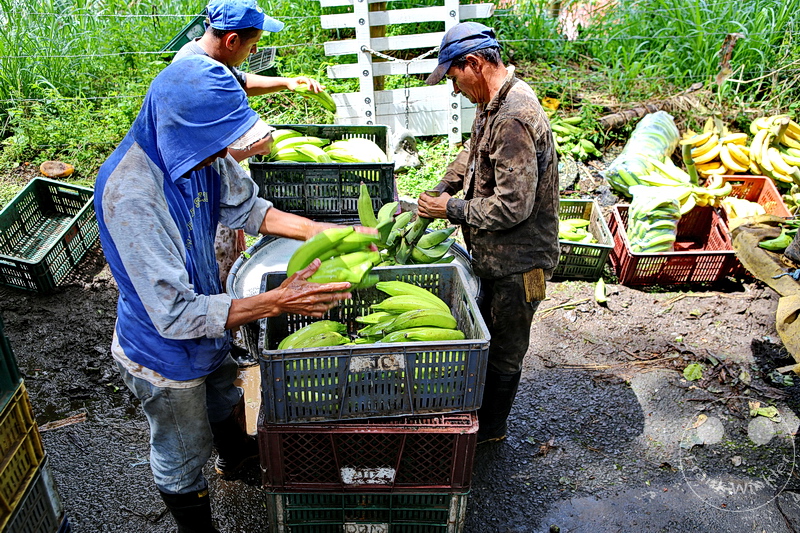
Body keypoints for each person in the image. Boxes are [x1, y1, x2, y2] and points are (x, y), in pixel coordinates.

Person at [94, 55, 362, 532]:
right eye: (216, 141)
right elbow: (175, 316)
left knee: (222, 396)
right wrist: (278, 301)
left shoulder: (199, 152)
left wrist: (320, 231)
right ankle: (196, 523)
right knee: (182, 451)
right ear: (182, 130)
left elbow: (248, 208)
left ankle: (235, 459)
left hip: (213, 317)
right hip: (163, 350)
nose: (226, 152)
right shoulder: (132, 196)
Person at [418, 22, 560, 445]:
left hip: (520, 263)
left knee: (505, 347)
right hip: (494, 254)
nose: (455, 89)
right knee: (487, 335)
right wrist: (445, 186)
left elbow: (514, 206)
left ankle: (491, 432)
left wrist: (453, 208)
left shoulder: (515, 115)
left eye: (455, 77)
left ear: (474, 64)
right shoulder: (492, 102)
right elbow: (472, 150)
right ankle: (481, 413)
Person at [173, 0, 328, 290]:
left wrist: (286, 82)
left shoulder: (209, 56)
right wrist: (252, 149)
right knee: (206, 268)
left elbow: (240, 80)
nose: (255, 50)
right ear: (232, 40)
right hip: (193, 197)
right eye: (253, 43)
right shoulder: (194, 76)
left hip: (211, 187)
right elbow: (201, 154)